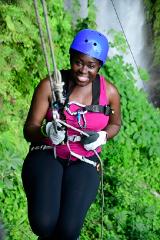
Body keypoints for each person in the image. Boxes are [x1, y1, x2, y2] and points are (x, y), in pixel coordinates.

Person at [22, 29, 121, 240]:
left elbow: (115, 123)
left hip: (84, 159)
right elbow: (30, 128)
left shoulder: (109, 93)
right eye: (78, 62)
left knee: (67, 232)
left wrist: (103, 136)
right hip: (48, 151)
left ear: (99, 67)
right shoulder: (50, 85)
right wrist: (46, 132)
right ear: (70, 58)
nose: (83, 70)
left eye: (91, 65)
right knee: (44, 223)